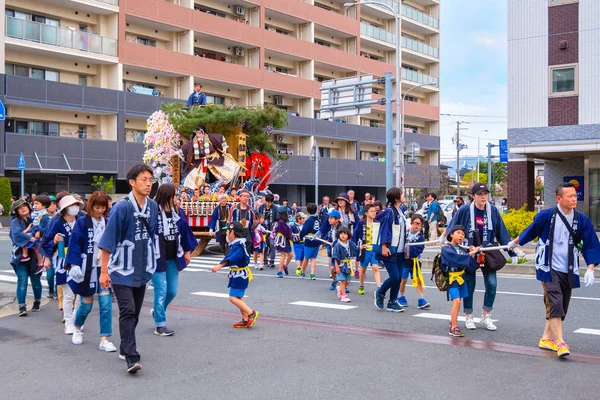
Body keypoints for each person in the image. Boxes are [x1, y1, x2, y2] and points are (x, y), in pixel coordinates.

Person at [509, 183, 600, 358]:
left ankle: (545, 338)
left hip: (569, 268)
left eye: (575, 196)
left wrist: (590, 268)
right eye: (570, 196)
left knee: (561, 306)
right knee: (555, 303)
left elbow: (590, 243)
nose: (574, 199)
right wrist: (513, 243)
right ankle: (560, 342)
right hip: (548, 267)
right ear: (559, 199)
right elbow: (529, 232)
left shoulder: (581, 220)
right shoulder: (546, 216)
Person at [99, 164, 160, 374]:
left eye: (150, 179)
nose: (148, 183)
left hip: (141, 270)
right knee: (128, 309)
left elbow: (154, 237)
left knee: (134, 314)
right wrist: (104, 271)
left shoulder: (153, 207)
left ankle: (125, 347)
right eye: (143, 179)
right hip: (120, 270)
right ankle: (132, 356)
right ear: (132, 182)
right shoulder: (121, 208)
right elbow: (107, 241)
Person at [445, 183, 516, 331]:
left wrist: (511, 251)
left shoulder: (493, 211)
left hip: (487, 252)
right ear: (473, 196)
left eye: (485, 193)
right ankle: (469, 316)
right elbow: (453, 227)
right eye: (480, 194)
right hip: (469, 252)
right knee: (469, 286)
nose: (483, 196)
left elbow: (501, 232)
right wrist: (447, 241)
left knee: (492, 284)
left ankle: (486, 315)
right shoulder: (465, 210)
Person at [65, 192, 116, 351]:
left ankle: (104, 339)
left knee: (106, 305)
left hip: (104, 268)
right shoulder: (82, 223)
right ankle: (78, 328)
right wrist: (74, 264)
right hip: (87, 268)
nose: (100, 210)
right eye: (97, 207)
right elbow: (74, 243)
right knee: (86, 304)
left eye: (103, 207)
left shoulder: (108, 222)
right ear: (91, 206)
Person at [151, 184, 197, 336]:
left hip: (173, 256)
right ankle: (160, 325)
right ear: (167, 196)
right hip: (157, 257)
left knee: (172, 291)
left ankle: (158, 312)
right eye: (175, 195)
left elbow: (185, 231)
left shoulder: (178, 212)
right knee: (161, 290)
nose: (177, 199)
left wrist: (188, 252)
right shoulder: (153, 211)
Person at [42, 194, 84, 333]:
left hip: (79, 260)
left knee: (80, 293)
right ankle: (68, 321)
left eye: (77, 205)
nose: (75, 208)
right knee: (69, 293)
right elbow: (46, 242)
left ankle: (76, 318)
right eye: (72, 206)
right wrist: (54, 241)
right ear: (65, 209)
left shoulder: (81, 221)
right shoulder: (57, 222)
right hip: (63, 260)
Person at [211, 221, 259, 329]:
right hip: (238, 273)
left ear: (233, 233)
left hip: (240, 275)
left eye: (228, 231)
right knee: (238, 297)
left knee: (232, 298)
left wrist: (219, 266)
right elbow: (235, 260)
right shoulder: (237, 244)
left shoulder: (238, 246)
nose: (227, 233)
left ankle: (251, 313)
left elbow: (232, 258)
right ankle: (245, 319)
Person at [442, 225, 480, 337]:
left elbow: (470, 266)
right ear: (451, 234)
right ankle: (453, 327)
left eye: (463, 234)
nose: (461, 236)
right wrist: (471, 253)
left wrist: (474, 255)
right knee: (457, 301)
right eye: (458, 233)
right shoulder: (446, 248)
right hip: (452, 279)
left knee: (458, 303)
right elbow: (455, 259)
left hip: (461, 278)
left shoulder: (463, 249)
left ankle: (452, 321)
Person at [373, 187, 407, 313]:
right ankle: (380, 292)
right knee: (395, 277)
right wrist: (384, 246)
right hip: (390, 249)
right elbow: (385, 229)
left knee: (398, 277)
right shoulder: (389, 211)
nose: (403, 196)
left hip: (400, 250)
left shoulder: (400, 210)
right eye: (402, 194)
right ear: (396, 197)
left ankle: (392, 302)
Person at [9, 199, 43, 316]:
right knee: (22, 281)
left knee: (36, 281)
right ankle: (22, 306)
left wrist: (31, 236)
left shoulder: (35, 219)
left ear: (29, 207)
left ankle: (37, 301)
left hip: (34, 255)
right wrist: (30, 236)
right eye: (19, 208)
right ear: (16, 211)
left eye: (24, 206)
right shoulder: (15, 222)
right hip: (19, 256)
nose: (23, 208)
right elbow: (17, 235)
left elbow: (41, 232)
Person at [398, 215, 430, 309]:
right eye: (415, 223)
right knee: (403, 279)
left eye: (419, 224)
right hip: (405, 261)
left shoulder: (420, 237)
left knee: (418, 279)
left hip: (416, 261)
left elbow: (419, 249)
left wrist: (408, 249)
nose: (417, 226)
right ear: (411, 223)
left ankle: (421, 299)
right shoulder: (405, 234)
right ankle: (401, 297)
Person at [353, 204, 382, 295]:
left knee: (375, 267)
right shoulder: (361, 223)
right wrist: (356, 247)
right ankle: (361, 285)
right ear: (366, 213)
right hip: (365, 250)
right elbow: (356, 235)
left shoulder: (377, 223)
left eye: (375, 211)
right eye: (372, 211)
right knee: (363, 269)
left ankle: (379, 288)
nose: (374, 213)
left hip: (374, 249)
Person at [331, 226, 359, 303]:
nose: (343, 235)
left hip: (348, 265)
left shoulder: (350, 243)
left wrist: (360, 248)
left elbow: (356, 249)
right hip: (340, 265)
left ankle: (340, 289)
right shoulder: (337, 245)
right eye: (341, 234)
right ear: (338, 235)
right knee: (342, 280)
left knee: (348, 281)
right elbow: (335, 257)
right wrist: (336, 267)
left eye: (345, 234)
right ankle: (343, 295)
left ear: (348, 235)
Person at [319, 209, 343, 291]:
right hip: (333, 250)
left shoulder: (341, 228)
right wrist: (326, 242)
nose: (329, 220)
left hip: (340, 251)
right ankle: (334, 280)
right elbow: (330, 236)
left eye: (331, 218)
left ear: (337, 219)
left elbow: (342, 239)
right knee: (332, 268)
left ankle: (343, 285)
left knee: (341, 268)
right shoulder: (332, 227)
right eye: (329, 218)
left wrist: (335, 242)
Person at [228, 189, 255, 256]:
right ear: (240, 197)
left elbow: (254, 221)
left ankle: (245, 264)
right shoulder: (234, 208)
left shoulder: (250, 209)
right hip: (237, 232)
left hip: (247, 232)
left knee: (247, 249)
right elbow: (229, 221)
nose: (246, 198)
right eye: (244, 196)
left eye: (247, 196)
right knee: (237, 250)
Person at [31, 194, 51, 271]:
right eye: (34, 203)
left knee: (37, 247)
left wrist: (38, 230)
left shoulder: (44, 215)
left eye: (37, 204)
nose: (34, 206)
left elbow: (44, 228)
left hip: (39, 236)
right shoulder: (35, 213)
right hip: (34, 232)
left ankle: (40, 263)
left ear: (44, 206)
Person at [300, 203, 320, 280]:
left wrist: (301, 236)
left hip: (309, 240)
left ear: (308, 211)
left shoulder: (309, 220)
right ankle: (312, 273)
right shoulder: (318, 219)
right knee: (313, 258)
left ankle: (303, 272)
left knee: (306, 257)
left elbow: (304, 230)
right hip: (317, 240)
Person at [258, 193, 278, 269]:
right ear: (265, 201)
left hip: (272, 230)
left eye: (270, 202)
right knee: (264, 246)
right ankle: (265, 260)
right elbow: (258, 217)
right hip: (263, 230)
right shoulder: (261, 207)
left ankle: (272, 261)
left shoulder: (275, 208)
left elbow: (277, 219)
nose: (269, 204)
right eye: (268, 202)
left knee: (272, 246)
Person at [273, 211, 293, 278]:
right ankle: (279, 271)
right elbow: (285, 231)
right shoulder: (280, 222)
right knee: (283, 255)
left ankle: (285, 265)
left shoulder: (285, 222)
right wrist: (290, 235)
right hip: (282, 239)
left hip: (286, 239)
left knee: (290, 255)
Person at [292, 212, 306, 277]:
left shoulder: (304, 225)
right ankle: (298, 267)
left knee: (303, 256)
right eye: (302, 218)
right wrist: (296, 236)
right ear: (299, 219)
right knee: (298, 255)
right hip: (297, 243)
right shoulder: (293, 226)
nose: (304, 220)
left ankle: (302, 267)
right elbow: (291, 235)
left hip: (304, 243)